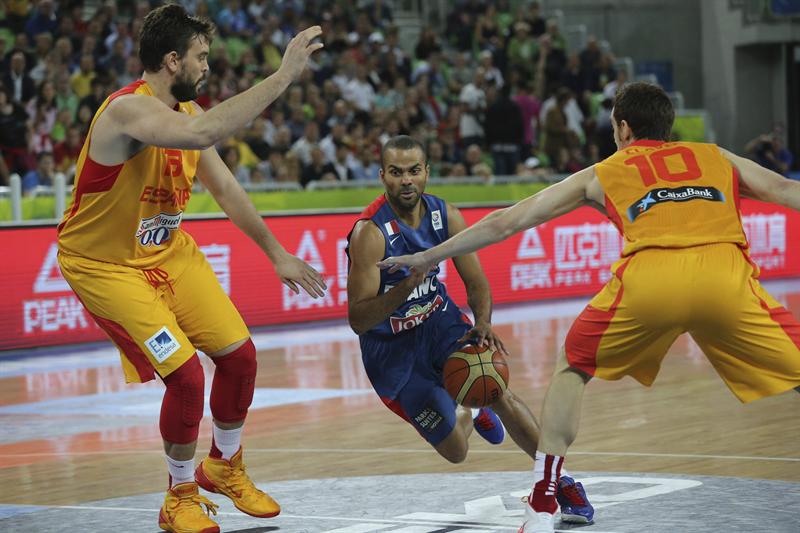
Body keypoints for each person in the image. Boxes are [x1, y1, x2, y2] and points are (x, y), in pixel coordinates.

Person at [378, 83, 800, 533]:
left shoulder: (605, 170)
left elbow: (507, 222)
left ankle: (543, 504)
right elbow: (784, 188)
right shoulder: (717, 156)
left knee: (573, 365)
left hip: (651, 280)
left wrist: (426, 256)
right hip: (726, 278)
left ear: (622, 127)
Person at [56, 6, 326, 533]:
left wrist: (275, 252)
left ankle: (223, 465)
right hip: (105, 265)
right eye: (201, 57)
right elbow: (203, 133)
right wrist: (283, 75)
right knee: (184, 376)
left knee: (241, 358)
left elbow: (226, 188)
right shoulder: (125, 113)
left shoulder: (186, 113)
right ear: (172, 59)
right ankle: (178, 494)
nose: (207, 67)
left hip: (166, 254)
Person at [346, 135, 594, 525]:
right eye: (396, 173)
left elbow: (476, 283)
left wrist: (482, 323)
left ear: (427, 172)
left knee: (501, 388)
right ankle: (469, 409)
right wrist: (407, 285)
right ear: (382, 176)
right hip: (392, 354)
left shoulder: (447, 216)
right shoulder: (370, 233)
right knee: (456, 451)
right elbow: (358, 319)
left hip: (441, 324)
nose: (406, 180)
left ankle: (560, 482)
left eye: (414, 171)